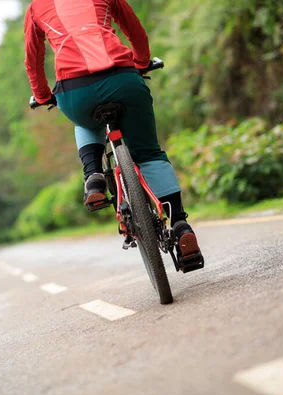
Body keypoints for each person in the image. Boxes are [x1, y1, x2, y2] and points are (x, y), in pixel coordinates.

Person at [23, 0, 203, 263]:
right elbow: (134, 29)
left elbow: (33, 58)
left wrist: (42, 96)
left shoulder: (36, 7)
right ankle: (179, 223)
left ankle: (93, 174)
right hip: (123, 80)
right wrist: (141, 62)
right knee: (149, 154)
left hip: (76, 92)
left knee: (84, 121)